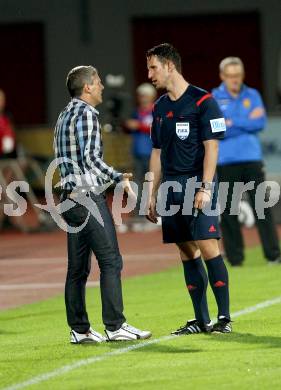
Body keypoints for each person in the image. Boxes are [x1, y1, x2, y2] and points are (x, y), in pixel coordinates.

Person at [54, 65, 151, 343]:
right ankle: (115, 325)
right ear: (87, 87)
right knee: (111, 261)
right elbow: (90, 159)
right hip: (87, 198)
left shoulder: (64, 115)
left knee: (77, 268)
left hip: (69, 197)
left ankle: (80, 329)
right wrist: (118, 177)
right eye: (97, 82)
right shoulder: (86, 114)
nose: (101, 87)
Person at [146, 43, 231, 334]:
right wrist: (150, 192)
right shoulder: (158, 108)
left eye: (153, 67)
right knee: (185, 251)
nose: (149, 74)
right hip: (170, 187)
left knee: (208, 246)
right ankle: (202, 320)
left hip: (198, 182)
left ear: (170, 66)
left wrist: (205, 188)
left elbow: (212, 148)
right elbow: (156, 153)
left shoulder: (203, 101)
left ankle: (224, 319)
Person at [212, 57, 281, 266]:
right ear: (222, 76)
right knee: (229, 211)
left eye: (238, 75)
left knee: (262, 208)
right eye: (231, 76)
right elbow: (217, 129)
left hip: (252, 160)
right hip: (226, 161)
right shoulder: (214, 97)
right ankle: (235, 258)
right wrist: (245, 122)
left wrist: (233, 122)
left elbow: (259, 122)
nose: (235, 80)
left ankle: (273, 255)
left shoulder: (253, 94)